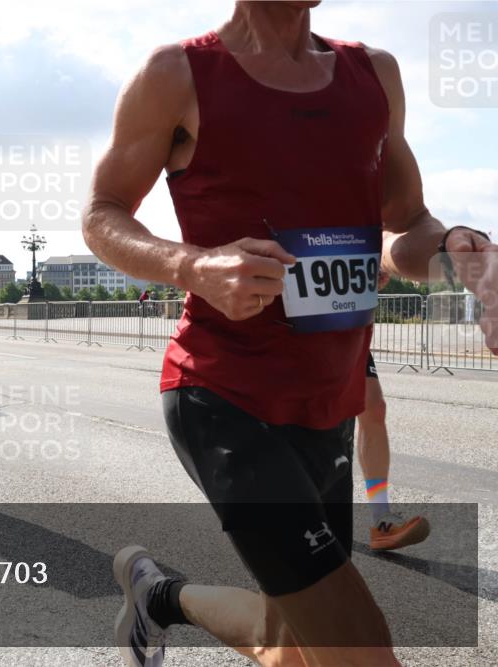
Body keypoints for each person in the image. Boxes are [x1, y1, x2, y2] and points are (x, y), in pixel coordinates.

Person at [81, 2, 498, 665]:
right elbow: (102, 213)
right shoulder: (176, 75)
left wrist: (458, 252)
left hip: (329, 410)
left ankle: (159, 597)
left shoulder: (374, 76)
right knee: (359, 651)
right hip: (223, 396)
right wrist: (193, 264)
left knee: (296, 648)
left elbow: (403, 225)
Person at [358, 272, 429, 551]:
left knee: (374, 408)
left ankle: (380, 518)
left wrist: (380, 265)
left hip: (345, 326)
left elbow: (390, 241)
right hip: (286, 324)